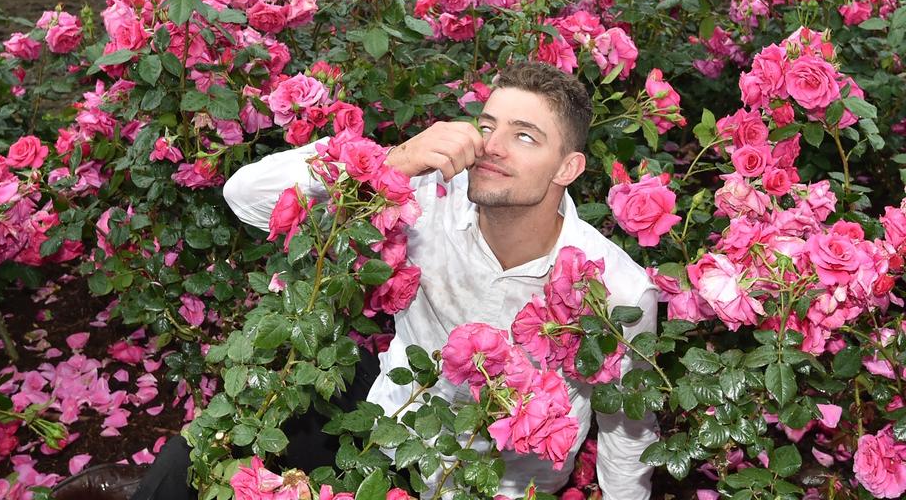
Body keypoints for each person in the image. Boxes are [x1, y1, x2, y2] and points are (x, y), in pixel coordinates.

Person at [224, 61, 659, 497]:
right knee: (193, 460)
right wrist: (391, 163)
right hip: (387, 444)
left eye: (524, 135)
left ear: (568, 168)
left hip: (502, 486)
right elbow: (245, 199)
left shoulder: (615, 289)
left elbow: (628, 432)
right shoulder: (425, 199)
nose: (493, 147)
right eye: (487, 126)